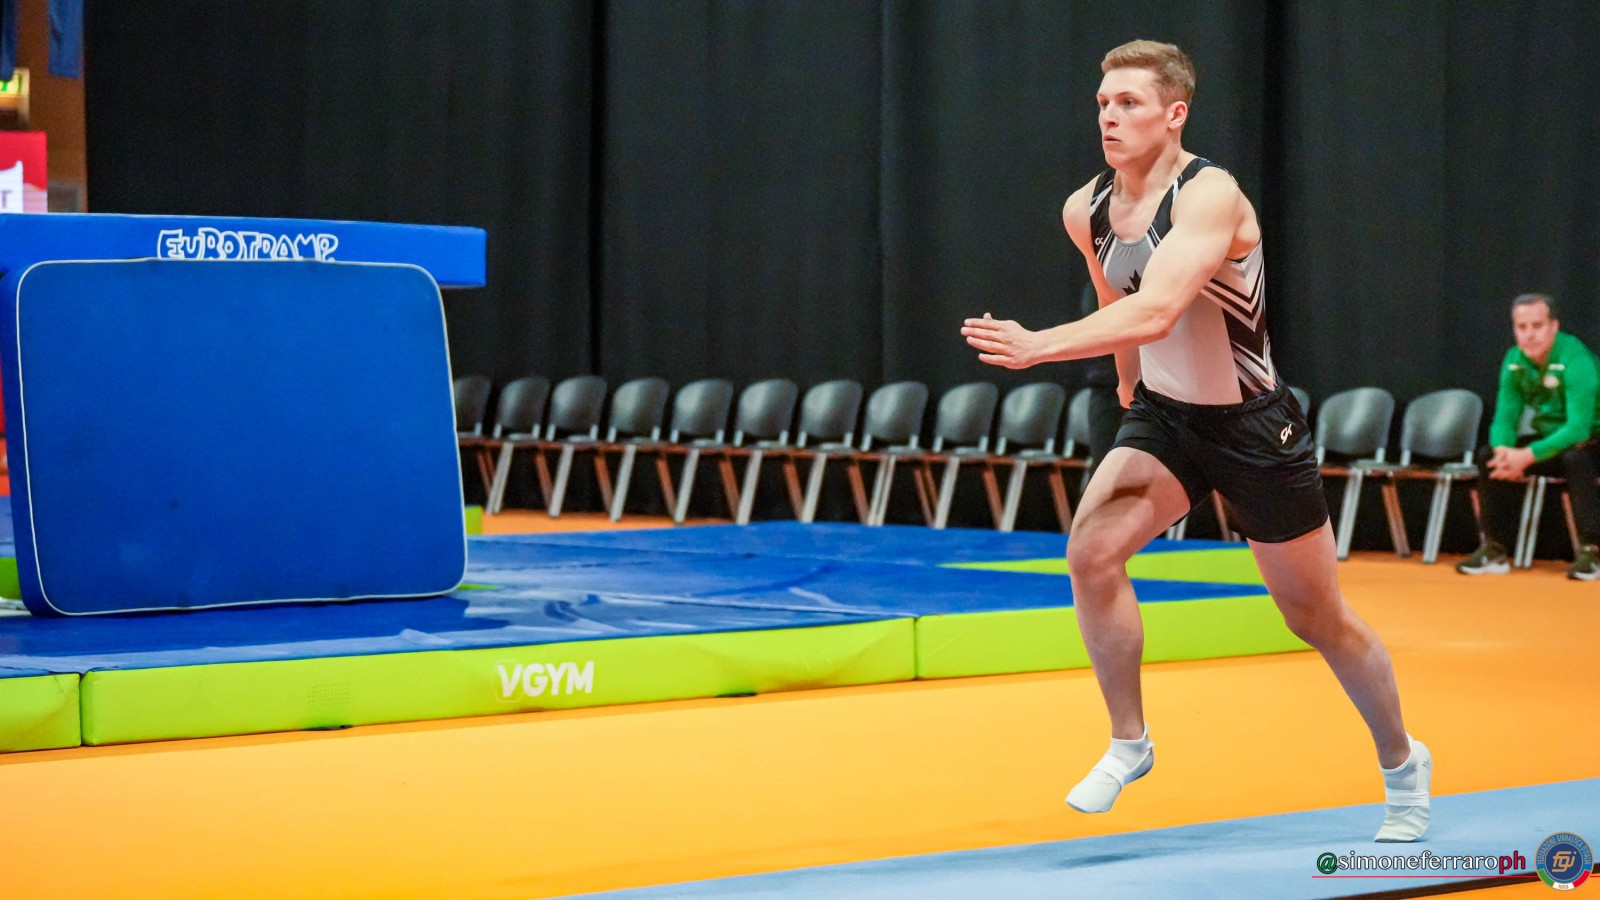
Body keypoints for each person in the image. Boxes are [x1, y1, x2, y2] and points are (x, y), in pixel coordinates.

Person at [960, 40, 1430, 842]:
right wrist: (1127, 396)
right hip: (1166, 419)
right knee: (1091, 552)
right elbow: (1115, 308)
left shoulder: (1210, 196)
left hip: (1253, 427)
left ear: (1175, 114)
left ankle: (1402, 764)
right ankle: (1129, 742)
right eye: (1103, 104)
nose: (1109, 118)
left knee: (1314, 615)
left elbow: (1156, 310)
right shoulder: (1086, 209)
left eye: (1129, 104)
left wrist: (1038, 345)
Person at [1457, 293, 1600, 579]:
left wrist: (1528, 455)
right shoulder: (1515, 360)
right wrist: (1504, 453)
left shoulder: (1576, 359)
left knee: (1576, 459)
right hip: (1554, 442)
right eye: (1522, 327)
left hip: (1592, 441)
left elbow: (1579, 429)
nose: (1530, 335)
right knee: (1488, 457)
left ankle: (1591, 552)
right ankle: (1495, 549)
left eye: (1537, 326)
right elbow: (1505, 419)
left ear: (1554, 326)